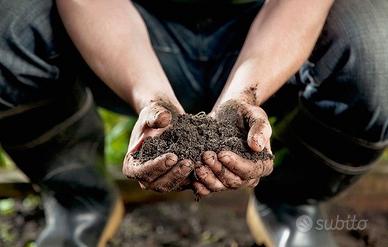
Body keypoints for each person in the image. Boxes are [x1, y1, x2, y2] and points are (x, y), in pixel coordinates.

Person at [0, 0, 387, 246]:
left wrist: (244, 96)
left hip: (274, 44)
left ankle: (293, 200)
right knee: (9, 21)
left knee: (378, 51)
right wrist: (152, 97)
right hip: (129, 37)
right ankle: (78, 197)